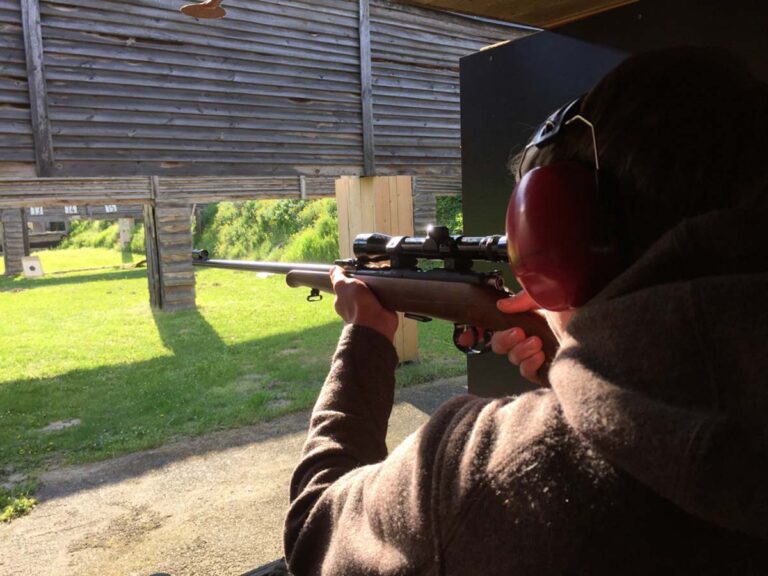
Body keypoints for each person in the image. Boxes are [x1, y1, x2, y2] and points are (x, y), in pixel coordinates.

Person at [283, 47, 768, 575]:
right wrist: (586, 369)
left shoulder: (478, 471)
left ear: (557, 238)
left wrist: (364, 340)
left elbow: (316, 530)